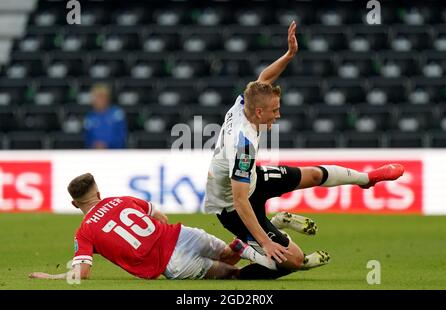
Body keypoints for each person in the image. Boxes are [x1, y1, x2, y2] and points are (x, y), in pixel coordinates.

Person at [204, 21, 404, 279]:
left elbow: (264, 78)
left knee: (312, 175)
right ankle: (237, 268)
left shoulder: (244, 101)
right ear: (259, 112)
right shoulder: (243, 146)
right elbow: (241, 202)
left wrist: (288, 56)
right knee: (290, 261)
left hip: (251, 180)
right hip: (231, 208)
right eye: (274, 111)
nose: (278, 115)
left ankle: (367, 179)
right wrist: (265, 242)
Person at [28, 173, 280, 281]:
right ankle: (261, 243)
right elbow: (161, 216)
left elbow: (82, 274)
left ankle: (272, 263)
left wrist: (52, 276)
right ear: (99, 192)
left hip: (171, 264)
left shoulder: (84, 232)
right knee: (228, 252)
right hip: (182, 235)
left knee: (230, 273)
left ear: (74, 204)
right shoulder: (123, 200)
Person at [84, 83, 127, 149]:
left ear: (106, 98)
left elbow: (121, 137)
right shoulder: (90, 117)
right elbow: (87, 139)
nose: (95, 100)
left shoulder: (117, 114)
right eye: (94, 97)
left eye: (98, 97)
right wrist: (94, 145)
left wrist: (108, 145)